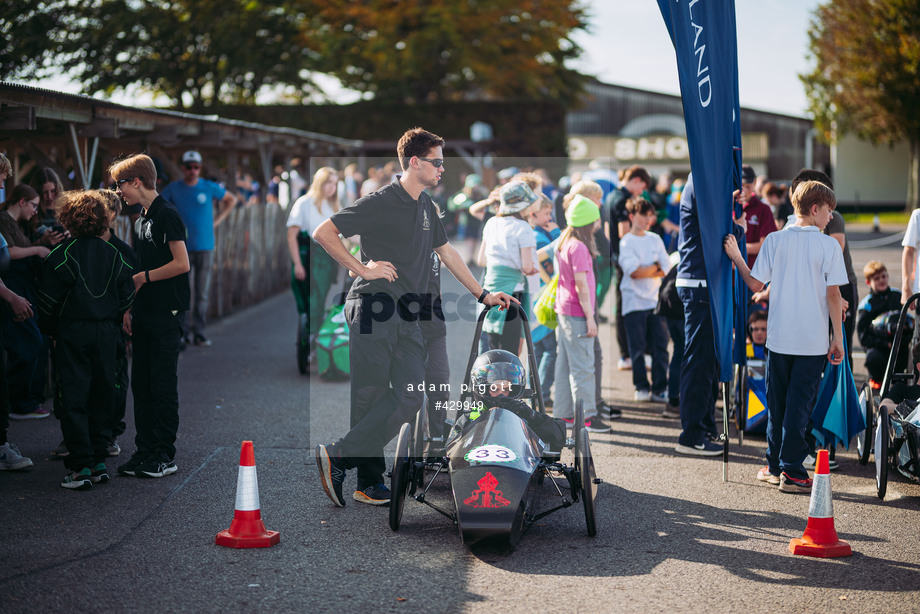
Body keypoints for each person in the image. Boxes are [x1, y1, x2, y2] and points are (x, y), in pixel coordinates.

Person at [312, 127, 514, 508]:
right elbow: (325, 232)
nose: (442, 169)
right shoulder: (379, 201)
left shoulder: (426, 205)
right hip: (373, 306)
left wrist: (483, 294)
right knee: (369, 398)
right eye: (437, 162)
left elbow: (448, 253)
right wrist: (361, 268)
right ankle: (368, 483)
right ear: (415, 162)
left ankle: (339, 456)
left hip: (408, 314)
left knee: (411, 395)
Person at [724, 180, 847, 493]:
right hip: (812, 340)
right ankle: (792, 470)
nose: (831, 217)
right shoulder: (829, 245)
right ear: (815, 209)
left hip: (778, 338)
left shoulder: (776, 240)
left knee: (777, 403)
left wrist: (738, 257)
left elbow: (755, 285)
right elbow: (834, 295)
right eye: (829, 211)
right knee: (799, 405)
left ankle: (775, 465)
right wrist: (838, 339)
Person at [37, 190, 135, 489]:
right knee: (103, 392)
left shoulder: (60, 255)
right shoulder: (116, 253)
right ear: (105, 218)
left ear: (68, 218)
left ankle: (80, 466)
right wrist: (111, 318)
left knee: (73, 395)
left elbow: (46, 303)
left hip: (73, 332)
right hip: (106, 331)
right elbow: (127, 295)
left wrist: (52, 330)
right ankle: (98, 461)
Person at [110, 154, 191, 479]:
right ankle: (144, 451)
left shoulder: (167, 214)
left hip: (167, 312)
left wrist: (144, 277)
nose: (118, 191)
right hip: (143, 311)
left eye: (121, 184)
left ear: (137, 181)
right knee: (140, 384)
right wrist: (130, 307)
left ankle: (163, 455)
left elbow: (182, 263)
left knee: (161, 384)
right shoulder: (140, 218)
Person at [674, 174, 741, 457]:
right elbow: (718, 233)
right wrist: (738, 229)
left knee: (708, 360)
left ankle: (703, 424)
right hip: (700, 281)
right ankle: (692, 434)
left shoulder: (702, 180)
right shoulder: (701, 180)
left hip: (704, 280)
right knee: (699, 360)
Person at [160, 150, 237, 347]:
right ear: (183, 168)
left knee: (202, 292)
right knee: (183, 291)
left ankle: (199, 332)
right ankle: (182, 332)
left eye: (196, 167)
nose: (192, 171)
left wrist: (217, 221)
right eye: (189, 167)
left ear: (200, 168)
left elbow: (232, 200)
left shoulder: (208, 187)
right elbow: (158, 205)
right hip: (181, 248)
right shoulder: (174, 188)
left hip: (205, 246)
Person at [552, 194, 610, 433]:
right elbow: (582, 285)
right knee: (584, 366)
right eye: (595, 221)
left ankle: (564, 415)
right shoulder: (579, 247)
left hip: (564, 310)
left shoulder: (565, 242)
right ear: (588, 223)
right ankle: (586, 417)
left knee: (565, 364)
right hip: (577, 313)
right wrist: (590, 317)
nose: (598, 224)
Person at [0, 185, 51, 419]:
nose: (35, 210)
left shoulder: (14, 223)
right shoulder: (3, 219)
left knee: (32, 340)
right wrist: (39, 248)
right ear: (21, 202)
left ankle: (23, 400)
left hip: (19, 287)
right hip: (13, 287)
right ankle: (19, 402)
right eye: (33, 205)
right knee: (27, 342)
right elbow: (9, 252)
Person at [448, 350, 566, 451]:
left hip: (518, 469)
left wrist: (532, 415)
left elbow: (558, 435)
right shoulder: (469, 418)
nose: (501, 394)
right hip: (476, 469)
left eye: (506, 389)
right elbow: (450, 448)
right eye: (494, 389)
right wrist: (478, 424)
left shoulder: (524, 416)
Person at [619, 196, 671, 403]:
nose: (648, 219)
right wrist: (655, 268)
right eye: (643, 215)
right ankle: (641, 386)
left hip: (655, 301)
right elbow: (633, 273)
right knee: (637, 349)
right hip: (633, 302)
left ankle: (660, 389)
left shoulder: (655, 239)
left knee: (660, 347)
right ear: (632, 216)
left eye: (650, 215)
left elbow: (666, 268)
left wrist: (651, 269)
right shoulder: (627, 241)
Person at [477, 180, 539, 353]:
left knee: (493, 350)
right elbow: (527, 267)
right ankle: (506, 381)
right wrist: (531, 267)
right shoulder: (523, 227)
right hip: (512, 293)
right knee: (509, 351)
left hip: (489, 291)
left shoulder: (491, 223)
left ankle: (492, 381)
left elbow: (481, 260)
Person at [286, 167, 340, 360]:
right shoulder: (304, 203)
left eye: (334, 183)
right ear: (319, 183)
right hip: (308, 255)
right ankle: (308, 345)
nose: (331, 187)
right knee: (310, 303)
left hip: (326, 259)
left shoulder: (334, 205)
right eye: (328, 183)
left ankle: (313, 345)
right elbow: (291, 235)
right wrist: (297, 264)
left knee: (318, 302)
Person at [606, 165, 652, 371]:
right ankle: (627, 354)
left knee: (622, 304)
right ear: (635, 180)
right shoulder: (622, 200)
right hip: (625, 260)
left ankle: (627, 353)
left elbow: (609, 232)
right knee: (627, 307)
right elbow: (624, 233)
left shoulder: (611, 196)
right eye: (641, 187)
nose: (641, 192)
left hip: (616, 257)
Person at [857, 260, 907, 387]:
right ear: (868, 282)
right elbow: (863, 336)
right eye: (877, 278)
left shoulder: (898, 296)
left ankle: (900, 382)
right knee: (873, 357)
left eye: (883, 276)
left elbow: (907, 322)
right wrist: (885, 344)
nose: (881, 280)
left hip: (899, 345)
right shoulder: (867, 304)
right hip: (878, 347)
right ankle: (876, 380)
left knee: (906, 352)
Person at [738, 164, 777, 269]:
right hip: (730, 276)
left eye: (748, 187)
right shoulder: (728, 208)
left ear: (754, 183)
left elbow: (765, 245)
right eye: (741, 186)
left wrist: (736, 251)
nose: (744, 191)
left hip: (754, 272)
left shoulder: (763, 209)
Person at [28, 168, 67, 249]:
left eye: (53, 191)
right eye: (45, 192)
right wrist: (41, 241)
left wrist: (70, 235)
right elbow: (23, 247)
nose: (49, 196)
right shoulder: (30, 211)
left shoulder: (65, 209)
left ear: (58, 189)